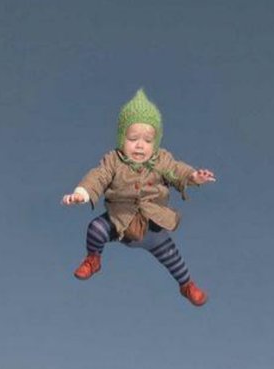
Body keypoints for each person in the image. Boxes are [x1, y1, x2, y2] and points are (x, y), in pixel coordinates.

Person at [62, 89, 216, 306]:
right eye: (133, 139)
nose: (140, 145)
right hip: (119, 220)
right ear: (121, 138)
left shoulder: (161, 160)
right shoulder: (114, 160)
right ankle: (93, 259)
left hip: (152, 224)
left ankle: (187, 285)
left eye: (148, 140)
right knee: (95, 228)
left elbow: (177, 170)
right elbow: (98, 176)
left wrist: (193, 176)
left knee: (171, 255)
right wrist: (82, 193)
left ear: (156, 142)